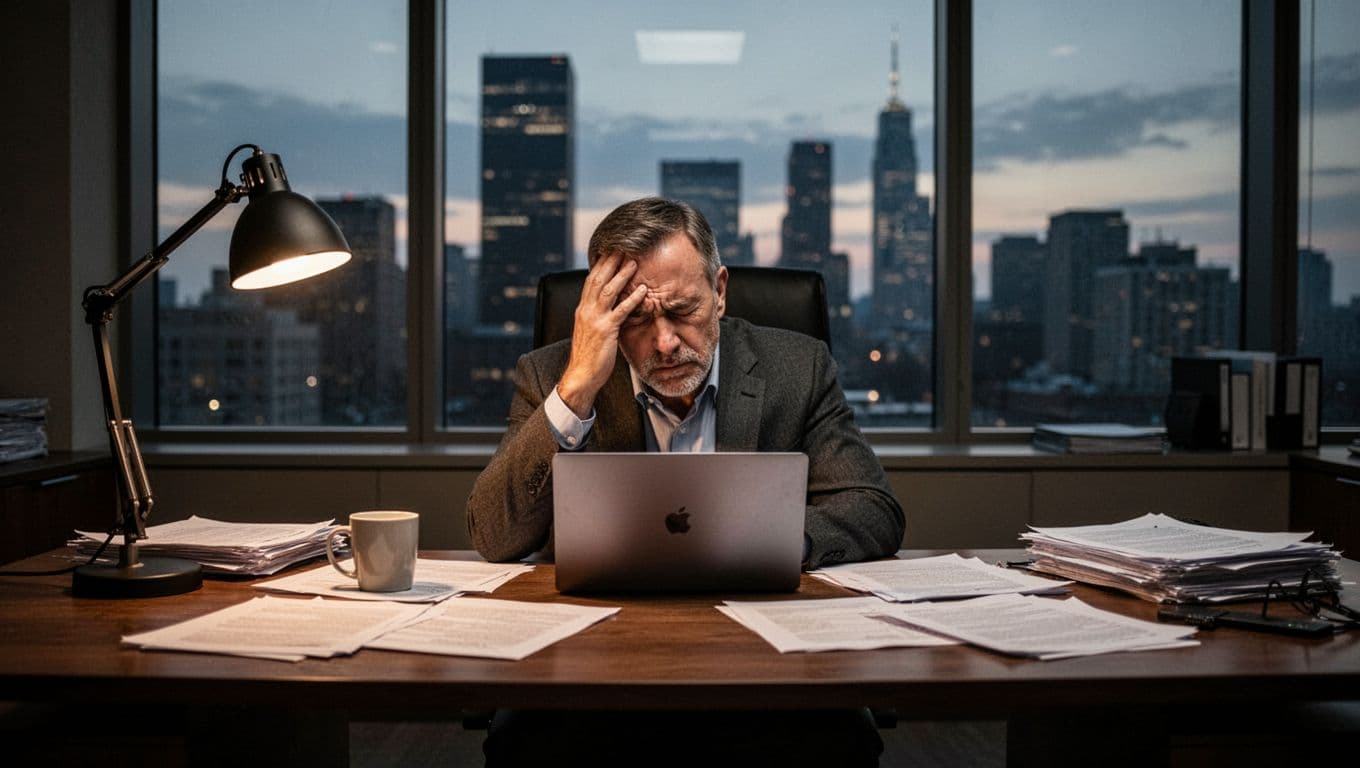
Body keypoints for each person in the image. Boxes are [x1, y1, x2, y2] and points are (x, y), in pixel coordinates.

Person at [466, 197, 904, 568]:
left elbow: (873, 510)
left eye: (681, 310)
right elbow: (492, 537)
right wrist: (576, 391)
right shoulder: (550, 375)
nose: (665, 342)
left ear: (720, 292)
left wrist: (770, 541)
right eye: (635, 318)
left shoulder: (798, 367)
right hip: (602, 629)